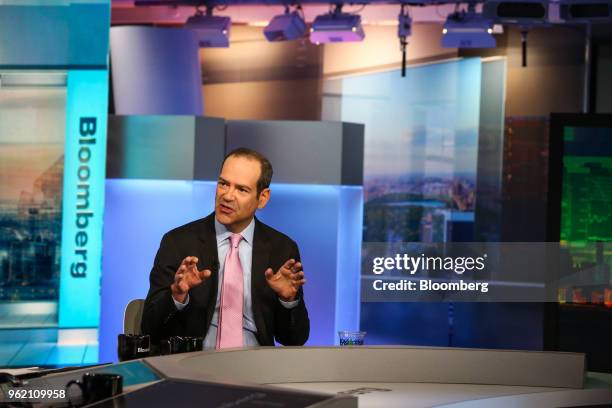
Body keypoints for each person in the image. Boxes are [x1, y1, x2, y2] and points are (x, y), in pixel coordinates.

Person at [141, 148, 309, 348]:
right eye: (223, 184)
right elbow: (149, 328)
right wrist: (177, 295)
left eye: (241, 190)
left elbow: (295, 339)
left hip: (256, 369)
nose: (228, 196)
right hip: (193, 365)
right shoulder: (179, 242)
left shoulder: (281, 248)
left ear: (262, 198)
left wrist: (287, 300)